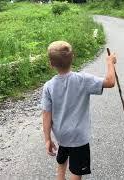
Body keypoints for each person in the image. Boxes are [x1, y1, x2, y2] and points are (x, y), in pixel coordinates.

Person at [41, 41, 116, 180]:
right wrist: (110, 62)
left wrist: (47, 139)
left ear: (51, 64)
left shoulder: (48, 86)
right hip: (78, 137)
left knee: (61, 162)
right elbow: (110, 82)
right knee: (76, 171)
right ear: (73, 57)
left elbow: (46, 115)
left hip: (61, 135)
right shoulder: (83, 79)